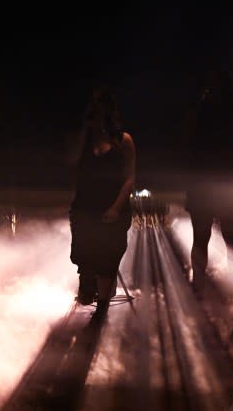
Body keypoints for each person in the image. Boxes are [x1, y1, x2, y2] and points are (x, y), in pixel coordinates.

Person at [184, 68, 233, 296]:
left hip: (210, 185)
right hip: (219, 184)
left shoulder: (206, 113)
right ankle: (222, 287)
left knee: (209, 238)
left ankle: (203, 287)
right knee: (224, 237)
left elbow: (189, 151)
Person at [69, 88, 136, 312]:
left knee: (106, 262)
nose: (96, 116)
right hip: (86, 208)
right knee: (86, 262)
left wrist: (115, 209)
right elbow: (71, 160)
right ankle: (89, 290)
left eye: (99, 112)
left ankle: (103, 309)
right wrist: (84, 131)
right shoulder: (85, 138)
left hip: (112, 209)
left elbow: (129, 178)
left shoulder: (123, 140)